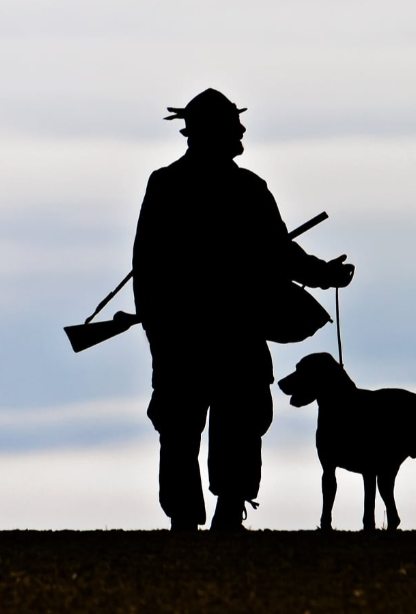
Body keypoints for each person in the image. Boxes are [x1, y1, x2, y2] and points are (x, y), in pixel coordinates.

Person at [133, 88, 354, 531]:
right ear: (213, 131)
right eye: (233, 124)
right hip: (214, 332)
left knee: (210, 423)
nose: (242, 130)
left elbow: (278, 254)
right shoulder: (235, 188)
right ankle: (208, 515)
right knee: (198, 424)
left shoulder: (189, 185)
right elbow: (280, 256)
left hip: (198, 333)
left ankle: (212, 515)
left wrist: (318, 273)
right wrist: (320, 274)